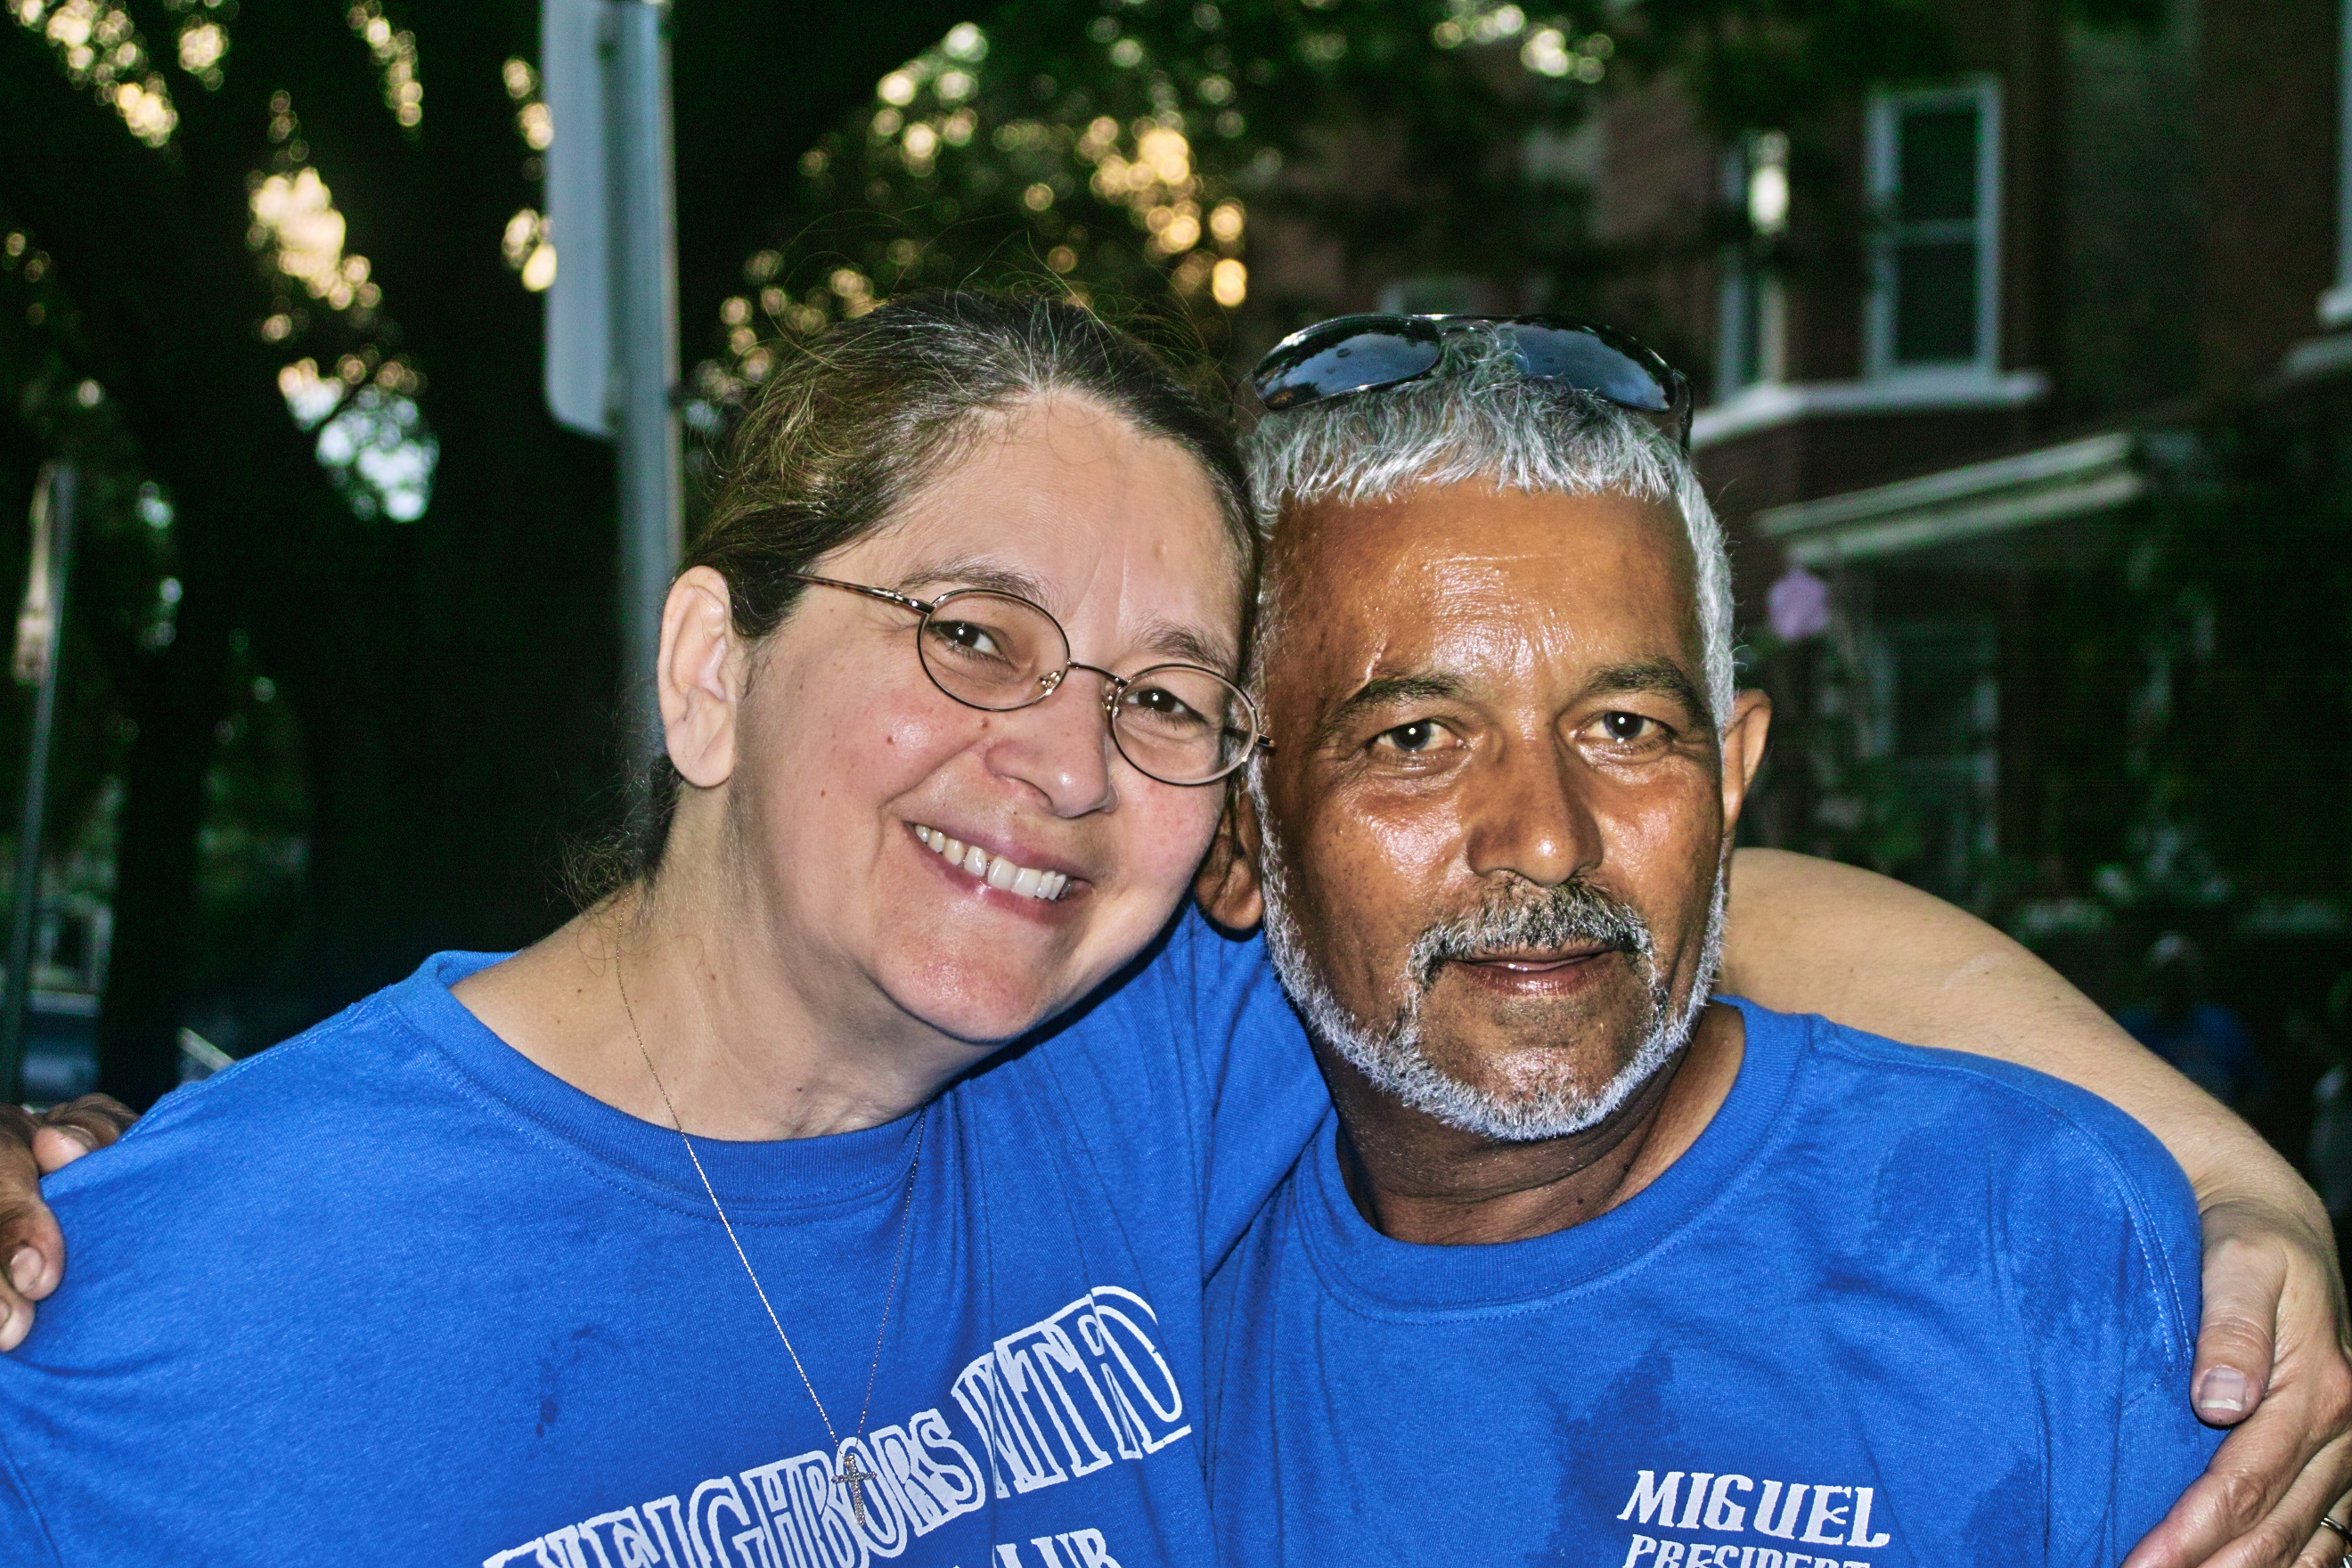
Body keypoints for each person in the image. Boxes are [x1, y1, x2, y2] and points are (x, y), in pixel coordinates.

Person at [0, 297, 2340, 1567]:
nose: (1062, 761)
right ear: (709, 666)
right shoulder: (157, 1307)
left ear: (1220, 822)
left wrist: (2230, 1181)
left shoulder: (1130, 1069)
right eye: (971, 635)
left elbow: (1625, 915)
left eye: (1159, 694)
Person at [1191, 317, 2233, 1564]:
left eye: (1626, 728)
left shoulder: (2034, 1250)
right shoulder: (1142, 1282)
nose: (1549, 838)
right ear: (1238, 828)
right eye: (1415, 738)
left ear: (1732, 777)